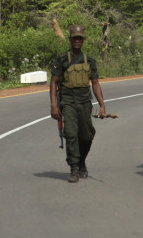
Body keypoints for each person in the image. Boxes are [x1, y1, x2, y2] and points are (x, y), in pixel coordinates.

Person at [50, 24, 106, 183]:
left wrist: (102, 105)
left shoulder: (90, 60)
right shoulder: (62, 60)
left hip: (84, 102)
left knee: (87, 135)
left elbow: (95, 83)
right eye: (74, 38)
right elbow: (54, 83)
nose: (77, 41)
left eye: (80, 38)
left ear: (83, 40)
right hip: (68, 102)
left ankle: (82, 160)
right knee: (71, 134)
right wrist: (54, 105)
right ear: (70, 39)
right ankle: (74, 167)